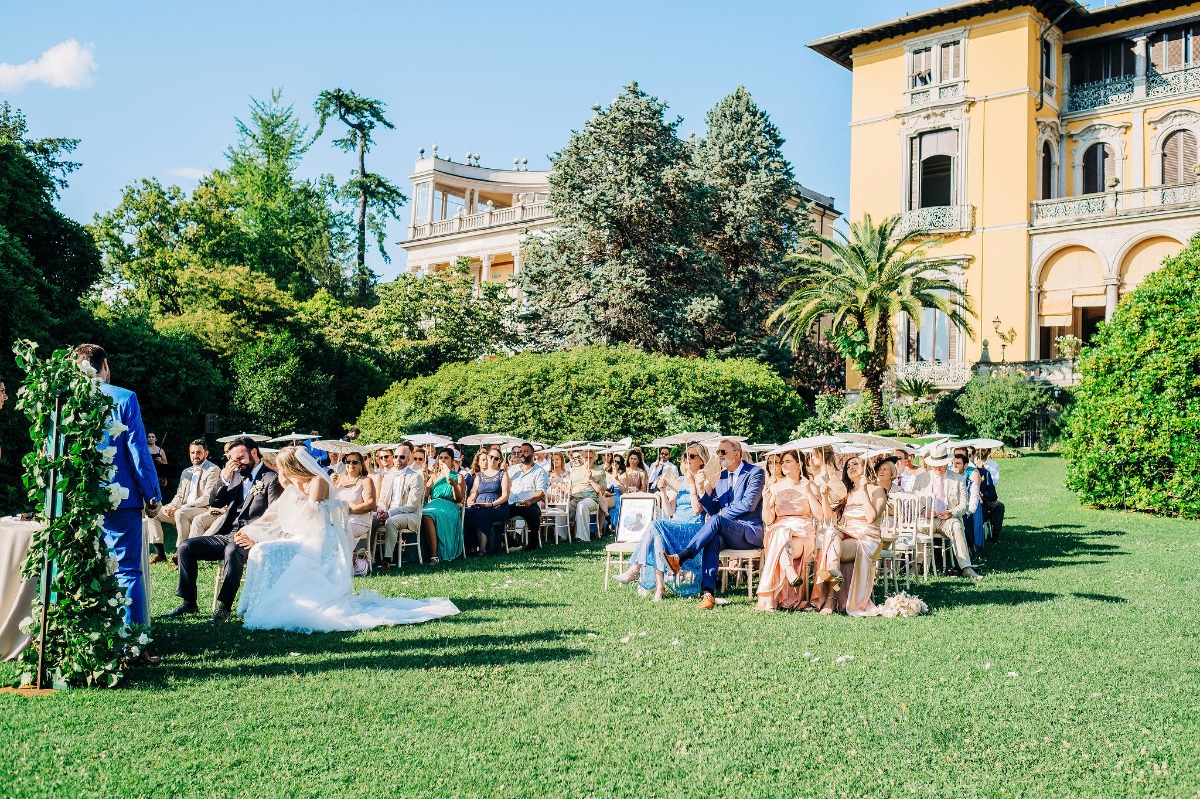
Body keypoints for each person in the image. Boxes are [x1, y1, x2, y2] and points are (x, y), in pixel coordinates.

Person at [233, 446, 459, 631]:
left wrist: (291, 487)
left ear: (290, 466)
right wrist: (252, 530)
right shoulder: (295, 484)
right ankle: (261, 603)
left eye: (282, 467)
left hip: (320, 537)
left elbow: (312, 513)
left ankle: (279, 603)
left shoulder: (316, 482)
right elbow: (275, 511)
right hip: (303, 535)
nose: (279, 471)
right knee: (260, 550)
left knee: (266, 551)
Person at [74, 345, 161, 638]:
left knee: (84, 570)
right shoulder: (124, 398)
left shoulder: (67, 401)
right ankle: (132, 643)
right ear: (105, 365)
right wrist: (152, 494)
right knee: (127, 570)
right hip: (120, 498)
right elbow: (138, 451)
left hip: (80, 501)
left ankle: (88, 638)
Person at [167, 436, 284, 621]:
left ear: (254, 452)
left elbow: (275, 516)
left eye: (240, 458)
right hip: (227, 533)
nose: (236, 463)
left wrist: (256, 538)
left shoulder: (271, 478)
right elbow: (215, 501)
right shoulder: (235, 474)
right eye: (232, 459)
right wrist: (224, 479)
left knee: (232, 551)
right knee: (185, 547)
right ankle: (189, 603)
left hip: (251, 537)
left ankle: (224, 608)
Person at [664, 438, 765, 610]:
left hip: (748, 532)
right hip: (726, 531)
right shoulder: (722, 476)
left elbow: (748, 504)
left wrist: (719, 515)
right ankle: (708, 594)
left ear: (737, 454)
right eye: (718, 452)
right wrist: (702, 488)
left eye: (723, 452)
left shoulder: (755, 473)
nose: (719, 455)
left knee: (717, 520)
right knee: (713, 539)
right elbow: (713, 507)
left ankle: (681, 557)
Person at [617, 442, 712, 601]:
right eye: (685, 456)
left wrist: (693, 485)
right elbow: (669, 511)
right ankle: (659, 589)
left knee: (656, 525)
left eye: (692, 456)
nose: (688, 459)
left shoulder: (705, 481)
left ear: (701, 460)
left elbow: (697, 509)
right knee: (658, 537)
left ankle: (635, 569)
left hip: (693, 530)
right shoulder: (680, 480)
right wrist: (662, 491)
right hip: (675, 527)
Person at [809, 455, 888, 616]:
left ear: (865, 467)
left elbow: (871, 518)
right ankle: (834, 571)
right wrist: (824, 497)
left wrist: (864, 490)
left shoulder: (877, 490)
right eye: (848, 466)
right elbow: (829, 516)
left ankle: (830, 597)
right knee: (831, 532)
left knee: (828, 548)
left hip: (867, 538)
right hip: (847, 535)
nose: (851, 467)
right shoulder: (847, 492)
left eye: (855, 464)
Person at [755, 450, 824, 612]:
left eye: (787, 461)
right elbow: (769, 520)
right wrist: (766, 502)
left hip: (802, 534)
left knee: (779, 537)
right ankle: (789, 571)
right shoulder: (774, 486)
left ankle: (767, 599)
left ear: (799, 464)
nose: (782, 465)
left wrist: (808, 493)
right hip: (782, 534)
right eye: (782, 462)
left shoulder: (809, 485)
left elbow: (820, 516)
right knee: (780, 532)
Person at [913, 443, 983, 580]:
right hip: (927, 518)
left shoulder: (958, 479)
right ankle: (917, 565)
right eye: (935, 464)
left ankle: (966, 568)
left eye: (941, 464)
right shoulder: (921, 479)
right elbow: (914, 501)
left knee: (957, 526)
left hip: (948, 519)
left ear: (947, 462)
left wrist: (950, 513)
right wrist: (922, 510)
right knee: (917, 527)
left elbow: (964, 505)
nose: (938, 467)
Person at [144, 439, 220, 563]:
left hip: (202, 508)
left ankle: (181, 553)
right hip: (183, 508)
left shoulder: (213, 470)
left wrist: (180, 508)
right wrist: (170, 506)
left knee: (180, 513)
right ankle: (160, 553)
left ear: (206, 454)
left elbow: (207, 498)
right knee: (153, 512)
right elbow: (179, 496)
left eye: (199, 452)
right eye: (192, 452)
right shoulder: (186, 471)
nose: (195, 456)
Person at [381, 443, 425, 569]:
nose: (397, 460)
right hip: (388, 512)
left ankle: (387, 559)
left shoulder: (416, 477)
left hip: (409, 515)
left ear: (408, 459)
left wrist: (389, 513)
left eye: (401, 457)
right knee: (369, 518)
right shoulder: (388, 475)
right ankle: (361, 557)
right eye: (395, 457)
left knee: (391, 521)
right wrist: (381, 510)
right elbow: (382, 499)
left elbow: (411, 505)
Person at [421, 447, 465, 563]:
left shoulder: (458, 476)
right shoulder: (434, 477)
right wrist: (424, 479)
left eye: (446, 458)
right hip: (433, 504)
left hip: (449, 506)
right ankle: (419, 553)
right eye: (440, 458)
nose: (443, 460)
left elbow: (460, 499)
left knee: (427, 516)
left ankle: (434, 555)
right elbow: (425, 494)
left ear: (452, 461)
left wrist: (454, 485)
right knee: (420, 514)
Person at [465, 447, 511, 555]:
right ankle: (467, 546)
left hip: (497, 505)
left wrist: (490, 504)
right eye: (491, 457)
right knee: (466, 513)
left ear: (499, 460)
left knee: (483, 514)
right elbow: (473, 492)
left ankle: (482, 550)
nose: (492, 460)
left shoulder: (503, 474)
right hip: (480, 504)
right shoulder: (479, 475)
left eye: (496, 458)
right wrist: (469, 501)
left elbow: (505, 495)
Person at [507, 442, 548, 551]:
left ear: (532, 454)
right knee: (497, 513)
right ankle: (511, 542)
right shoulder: (512, 470)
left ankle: (532, 543)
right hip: (511, 503)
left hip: (529, 504)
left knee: (532, 512)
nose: (522, 454)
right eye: (521, 451)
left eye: (526, 451)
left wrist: (531, 500)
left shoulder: (540, 471)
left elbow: (541, 492)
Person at [333, 452, 377, 547]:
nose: (351, 464)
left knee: (342, 531)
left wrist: (348, 509)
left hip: (358, 520)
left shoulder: (366, 481)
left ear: (361, 464)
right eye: (348, 461)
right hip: (338, 518)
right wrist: (331, 484)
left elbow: (370, 504)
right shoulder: (338, 479)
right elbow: (329, 498)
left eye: (355, 462)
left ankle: (344, 559)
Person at [568, 448, 605, 542]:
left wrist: (591, 479)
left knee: (582, 505)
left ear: (595, 458)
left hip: (591, 499)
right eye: (586, 457)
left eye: (590, 457)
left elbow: (601, 491)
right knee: (563, 507)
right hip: (575, 497)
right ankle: (562, 535)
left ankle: (583, 537)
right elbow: (570, 486)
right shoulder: (575, 470)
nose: (588, 459)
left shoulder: (599, 470)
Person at [953, 452, 985, 550]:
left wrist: (961, 512)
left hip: (964, 513)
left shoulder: (971, 484)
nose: (954, 466)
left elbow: (973, 505)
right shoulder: (948, 482)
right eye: (953, 463)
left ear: (966, 466)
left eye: (958, 463)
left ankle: (968, 548)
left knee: (966, 519)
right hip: (948, 513)